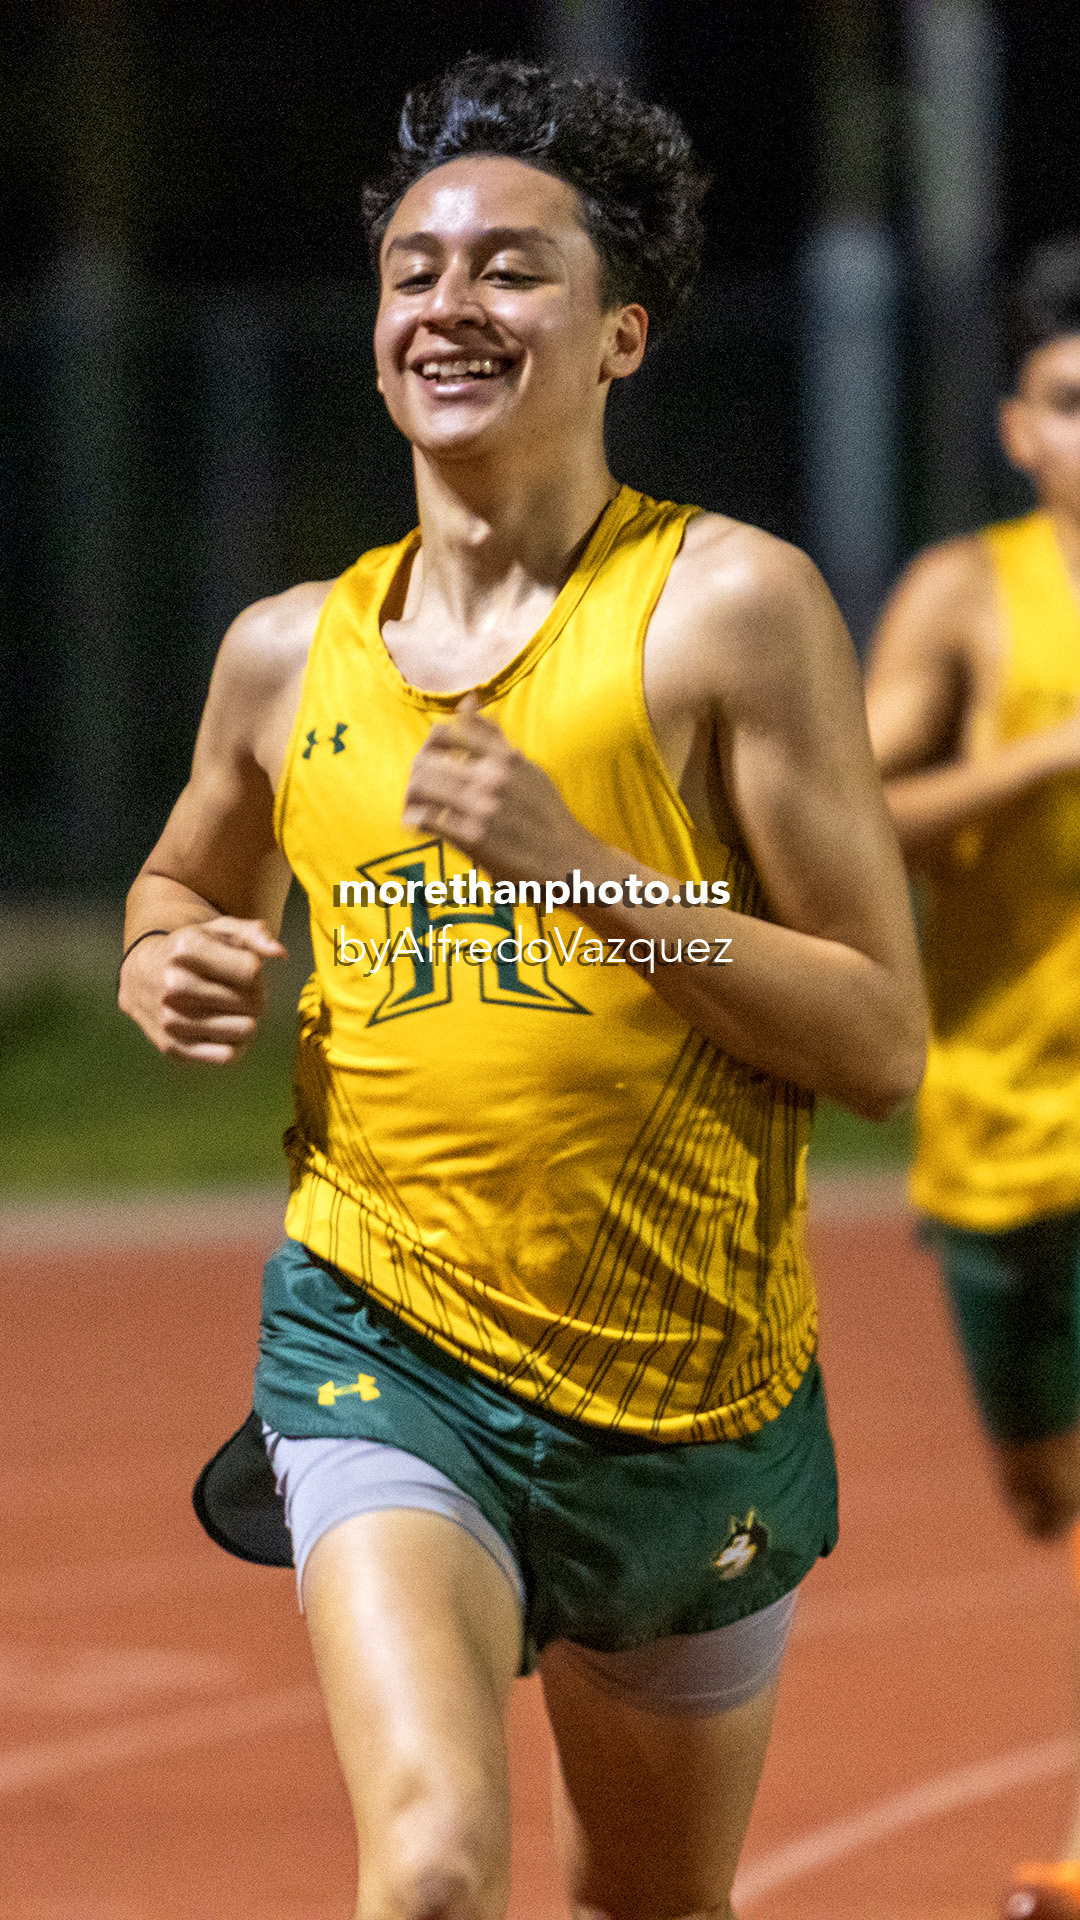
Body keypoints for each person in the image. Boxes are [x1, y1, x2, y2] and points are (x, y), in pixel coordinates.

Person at [120, 58, 925, 1920]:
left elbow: (881, 1039)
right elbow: (180, 880)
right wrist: (168, 959)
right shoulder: (283, 655)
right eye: (414, 272)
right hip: (380, 1344)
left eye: (509, 269)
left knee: (649, 1904)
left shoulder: (729, 612)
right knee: (427, 1870)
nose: (448, 305)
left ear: (622, 333)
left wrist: (584, 871)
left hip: (690, 1392)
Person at [866, 236, 1080, 1920]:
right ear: (1018, 427)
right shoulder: (964, 596)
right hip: (1001, 1117)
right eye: (1071, 403)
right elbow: (856, 815)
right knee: (1041, 1491)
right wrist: (1049, 755)